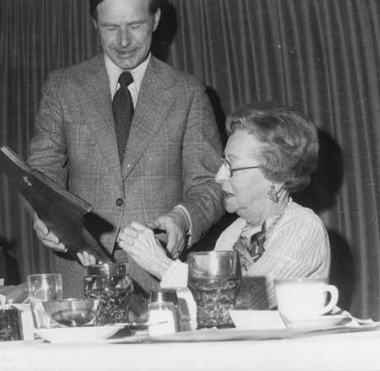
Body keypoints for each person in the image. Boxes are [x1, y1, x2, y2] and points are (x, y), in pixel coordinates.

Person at [27, 0, 224, 296]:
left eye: (134, 25)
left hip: (158, 274)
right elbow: (42, 169)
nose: (123, 41)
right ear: (95, 24)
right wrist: (44, 215)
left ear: (155, 20)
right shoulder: (63, 87)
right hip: (81, 273)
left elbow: (209, 184)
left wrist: (183, 217)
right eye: (110, 28)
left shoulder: (187, 92)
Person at [114, 104, 331, 309]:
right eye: (222, 163)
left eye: (231, 166)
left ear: (277, 175)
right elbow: (209, 310)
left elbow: (245, 301)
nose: (219, 176)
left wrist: (161, 265)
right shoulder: (233, 233)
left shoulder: (303, 227)